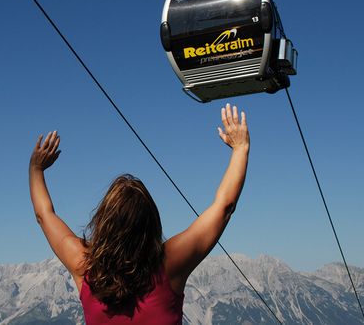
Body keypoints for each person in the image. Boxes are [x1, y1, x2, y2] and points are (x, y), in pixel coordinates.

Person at [28, 103, 250, 324]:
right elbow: (224, 207)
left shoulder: (84, 266)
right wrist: (240, 148)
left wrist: (36, 168)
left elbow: (44, 215)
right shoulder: (170, 265)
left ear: (103, 222)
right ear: (151, 223)